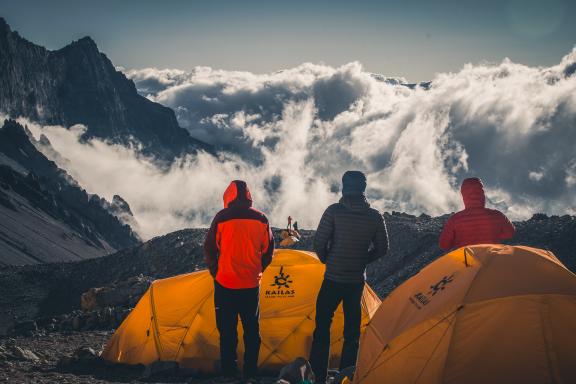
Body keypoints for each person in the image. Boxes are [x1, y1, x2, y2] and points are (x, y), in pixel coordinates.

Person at [310, 171, 389, 383]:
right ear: (363, 188)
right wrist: (363, 260)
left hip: (332, 279)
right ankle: (346, 376)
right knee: (352, 332)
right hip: (355, 282)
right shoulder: (374, 216)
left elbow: (319, 242)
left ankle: (318, 375)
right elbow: (383, 248)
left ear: (344, 187)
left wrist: (328, 260)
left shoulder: (334, 211)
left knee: (322, 325)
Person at [204, 180, 275, 382]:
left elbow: (209, 248)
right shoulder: (261, 219)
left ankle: (229, 373)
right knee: (252, 331)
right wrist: (258, 269)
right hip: (250, 285)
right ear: (248, 195)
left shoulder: (221, 217)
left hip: (225, 283)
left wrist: (215, 272)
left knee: (227, 332)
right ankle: (250, 373)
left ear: (229, 196)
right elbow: (268, 250)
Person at [439, 177, 515, 251]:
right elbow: (510, 233)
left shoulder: (454, 219)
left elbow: (444, 245)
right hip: (493, 260)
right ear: (482, 194)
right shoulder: (497, 215)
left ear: (464, 196)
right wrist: (494, 235)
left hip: (466, 261)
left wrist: (457, 241)